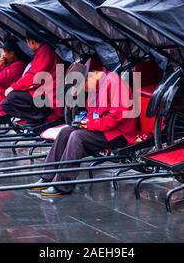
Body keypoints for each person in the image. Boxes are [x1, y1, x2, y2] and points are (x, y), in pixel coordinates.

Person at [32, 69, 137, 197]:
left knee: (77, 136)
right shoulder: (96, 86)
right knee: (66, 132)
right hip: (101, 129)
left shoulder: (115, 83)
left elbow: (118, 116)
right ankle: (47, 176)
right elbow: (92, 112)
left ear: (89, 79)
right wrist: (87, 123)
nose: (86, 91)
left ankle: (63, 184)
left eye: (85, 87)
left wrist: (92, 124)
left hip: (118, 134)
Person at [1, 31, 63, 126]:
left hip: (49, 93)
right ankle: (35, 120)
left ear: (31, 42)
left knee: (12, 98)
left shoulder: (45, 50)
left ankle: (40, 119)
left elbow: (35, 75)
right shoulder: (44, 50)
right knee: (6, 103)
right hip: (44, 91)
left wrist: (14, 87)